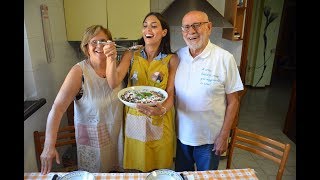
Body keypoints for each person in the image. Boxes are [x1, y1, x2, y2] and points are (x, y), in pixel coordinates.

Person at [40, 25, 124, 174]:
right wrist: (49, 145)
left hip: (117, 138)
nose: (99, 45)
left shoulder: (116, 68)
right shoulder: (79, 72)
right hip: (93, 143)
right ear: (86, 47)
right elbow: (58, 108)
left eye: (103, 41)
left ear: (110, 45)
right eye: (94, 42)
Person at [103, 12, 179, 172]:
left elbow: (171, 92)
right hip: (134, 117)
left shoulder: (171, 59)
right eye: (145, 26)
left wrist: (162, 109)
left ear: (164, 32)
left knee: (159, 169)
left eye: (154, 25)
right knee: (137, 168)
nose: (147, 29)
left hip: (160, 116)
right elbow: (113, 82)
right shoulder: (131, 54)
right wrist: (110, 58)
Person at [174, 10, 244, 171]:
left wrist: (224, 135)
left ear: (209, 27)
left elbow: (234, 102)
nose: (191, 31)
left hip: (210, 140)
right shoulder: (178, 56)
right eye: (186, 27)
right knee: (183, 176)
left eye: (197, 25)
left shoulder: (225, 59)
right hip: (181, 137)